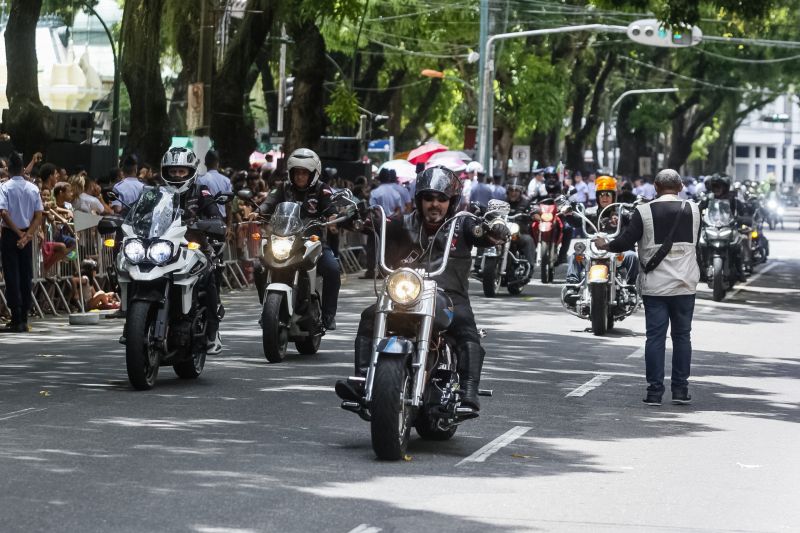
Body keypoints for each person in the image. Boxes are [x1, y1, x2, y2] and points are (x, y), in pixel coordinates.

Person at [335, 166, 509, 412]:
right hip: (404, 293)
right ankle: (363, 380)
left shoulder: (463, 224)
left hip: (449, 297)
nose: (434, 204)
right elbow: (373, 224)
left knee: (465, 327)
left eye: (441, 199)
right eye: (428, 198)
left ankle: (469, 389)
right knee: (369, 316)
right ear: (419, 200)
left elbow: (486, 235)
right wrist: (356, 218)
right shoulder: (401, 223)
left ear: (452, 201)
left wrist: (495, 230)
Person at [593, 169, 700, 406]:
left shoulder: (643, 211)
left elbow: (625, 241)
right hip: (685, 284)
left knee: (655, 338)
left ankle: (654, 392)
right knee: (682, 337)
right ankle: (681, 391)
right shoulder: (694, 209)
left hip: (656, 287)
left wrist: (605, 244)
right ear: (680, 187)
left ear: (655, 187)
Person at [254, 148, 341, 331]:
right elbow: (269, 202)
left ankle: (328, 315)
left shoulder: (322, 189)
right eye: (296, 173)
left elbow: (331, 208)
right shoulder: (283, 187)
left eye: (304, 173)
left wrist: (333, 219)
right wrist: (258, 212)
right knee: (258, 266)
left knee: (332, 269)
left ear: (313, 174)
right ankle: (267, 310)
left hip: (312, 242)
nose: (300, 177)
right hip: (284, 240)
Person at [160, 146, 225, 354]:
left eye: (181, 171)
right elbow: (137, 213)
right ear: (165, 172)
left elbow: (216, 218)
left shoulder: (201, 191)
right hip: (162, 248)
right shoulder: (157, 193)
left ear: (190, 172)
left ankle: (213, 332)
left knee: (208, 277)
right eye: (173, 171)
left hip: (194, 247)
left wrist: (209, 224)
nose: (177, 175)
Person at [565, 174, 638, 285]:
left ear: (614, 196)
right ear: (597, 196)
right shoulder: (590, 211)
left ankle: (632, 286)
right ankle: (572, 285)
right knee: (575, 255)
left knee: (632, 256)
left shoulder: (622, 212)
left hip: (617, 251)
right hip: (593, 251)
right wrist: (568, 214)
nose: (605, 197)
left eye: (608, 194)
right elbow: (576, 222)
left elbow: (633, 221)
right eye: (601, 194)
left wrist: (630, 215)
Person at [0, 152, 44, 332]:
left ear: (9, 170)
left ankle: (16, 316)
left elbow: (3, 212)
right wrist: (26, 236)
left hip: (11, 234)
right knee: (27, 275)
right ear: (21, 169)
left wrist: (18, 234)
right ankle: (24, 316)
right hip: (27, 235)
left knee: (12, 275)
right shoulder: (33, 188)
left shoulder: (5, 187)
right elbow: (38, 215)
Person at [699, 173, 748, 282]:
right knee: (700, 245)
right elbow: (698, 208)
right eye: (714, 186)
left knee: (738, 246)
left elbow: (742, 211)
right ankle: (701, 270)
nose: (716, 189)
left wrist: (743, 218)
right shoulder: (708, 198)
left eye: (719, 186)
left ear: (725, 187)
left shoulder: (732, 199)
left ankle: (740, 271)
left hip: (728, 227)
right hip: (711, 226)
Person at [505, 177, 536, 267]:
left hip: (518, 234)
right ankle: (480, 264)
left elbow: (533, 211)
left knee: (528, 240)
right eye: (511, 190)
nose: (513, 193)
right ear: (507, 191)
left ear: (520, 192)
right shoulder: (502, 202)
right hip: (502, 234)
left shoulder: (526, 203)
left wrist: (534, 214)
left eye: (516, 190)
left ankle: (530, 267)